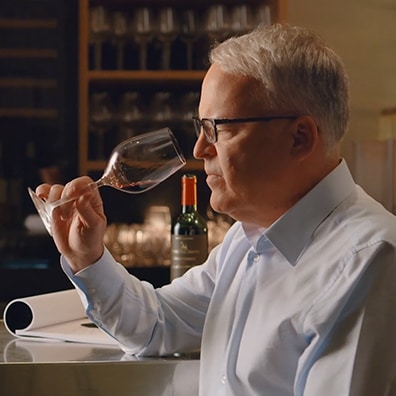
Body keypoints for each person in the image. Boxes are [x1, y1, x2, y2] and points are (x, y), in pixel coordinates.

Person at [36, 23, 396, 395]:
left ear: (299, 138)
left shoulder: (370, 263)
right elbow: (159, 324)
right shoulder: (249, 238)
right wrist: (88, 256)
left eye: (216, 129)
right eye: (200, 127)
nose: (198, 150)